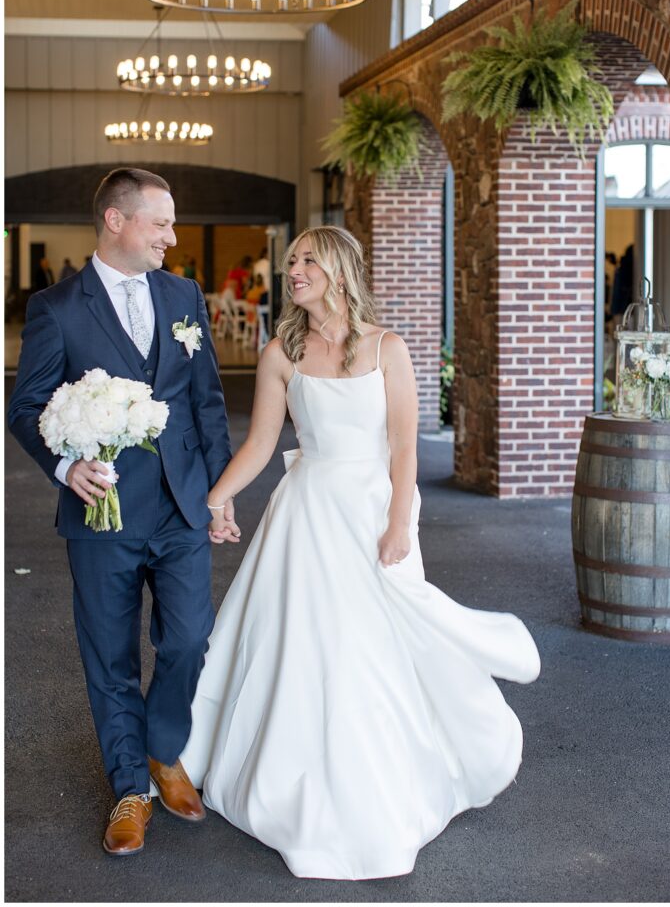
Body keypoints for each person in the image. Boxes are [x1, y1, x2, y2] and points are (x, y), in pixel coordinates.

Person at [181, 225, 541, 881]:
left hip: (373, 511)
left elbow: (404, 446)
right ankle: (307, 786)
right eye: (291, 262)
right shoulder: (280, 353)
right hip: (307, 514)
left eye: (307, 260)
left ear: (340, 271)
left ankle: (397, 777)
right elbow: (262, 443)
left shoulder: (387, 348)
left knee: (381, 646)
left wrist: (400, 524)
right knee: (312, 646)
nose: (293, 271)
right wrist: (217, 498)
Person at [8, 167, 238, 858]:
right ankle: (131, 788)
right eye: (160, 222)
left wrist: (220, 494)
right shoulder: (58, 308)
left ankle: (164, 749)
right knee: (108, 655)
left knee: (189, 638)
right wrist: (64, 466)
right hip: (100, 510)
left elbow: (205, 403)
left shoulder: (184, 294)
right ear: (116, 221)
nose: (172, 236)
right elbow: (27, 406)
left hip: (180, 504)